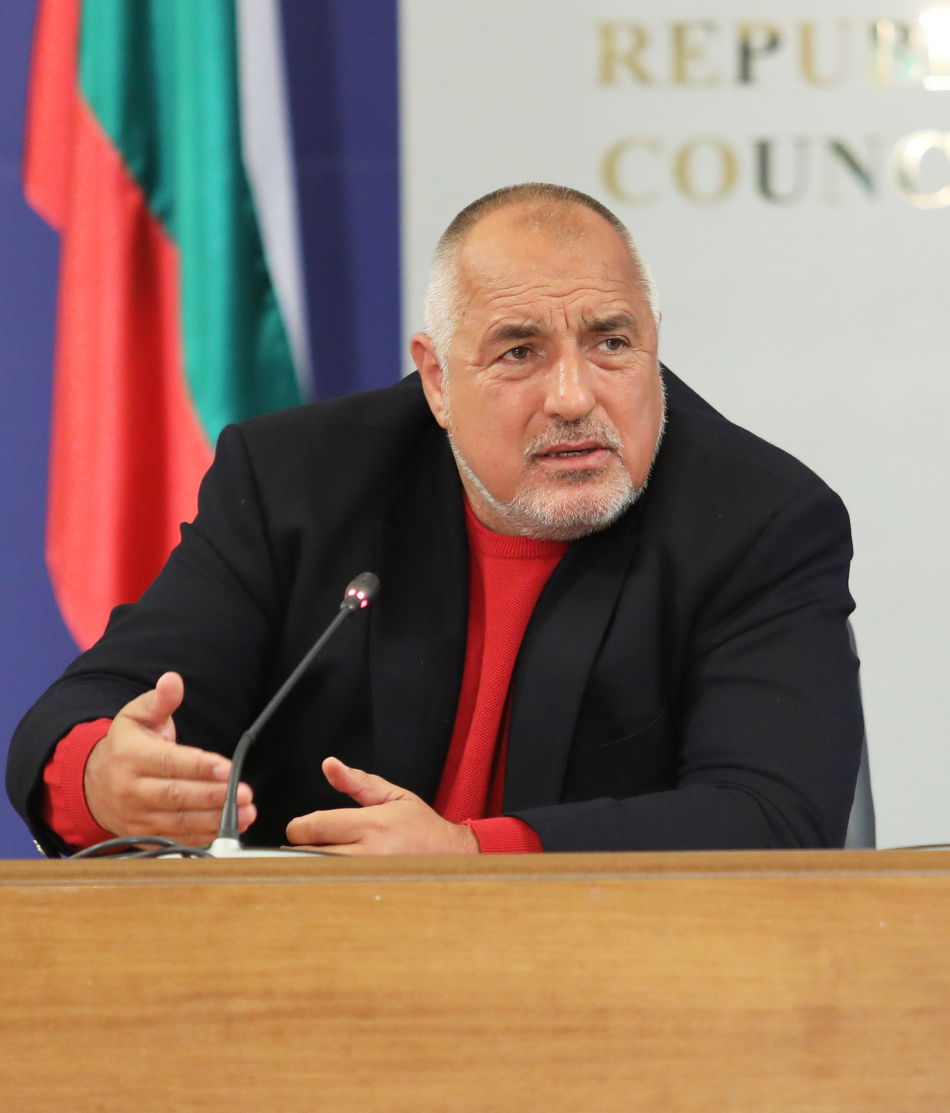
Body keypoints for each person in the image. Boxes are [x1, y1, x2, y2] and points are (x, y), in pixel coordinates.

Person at [7, 183, 863, 858]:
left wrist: (473, 855)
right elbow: (91, 704)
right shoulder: (298, 484)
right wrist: (104, 778)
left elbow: (773, 816)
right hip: (308, 986)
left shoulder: (759, 523)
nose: (575, 396)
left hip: (613, 995)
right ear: (437, 381)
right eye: (520, 351)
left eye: (611, 343)